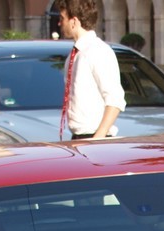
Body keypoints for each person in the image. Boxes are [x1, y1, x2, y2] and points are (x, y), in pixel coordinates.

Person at [56, 0, 125, 140]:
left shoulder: (97, 51)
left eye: (62, 19)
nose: (59, 23)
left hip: (95, 138)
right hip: (79, 138)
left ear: (74, 21)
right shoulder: (75, 54)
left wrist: (97, 139)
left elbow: (115, 100)